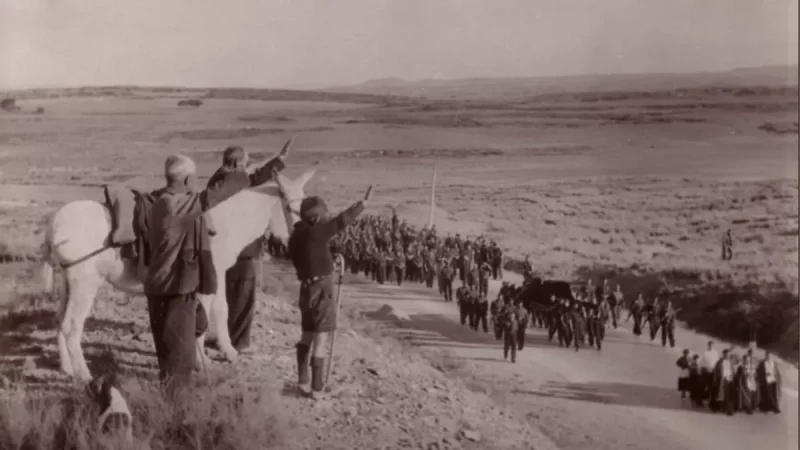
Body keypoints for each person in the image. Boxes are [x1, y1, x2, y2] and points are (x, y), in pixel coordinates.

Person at [144, 149, 288, 405]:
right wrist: (243, 170)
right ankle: (175, 415)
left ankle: (170, 405)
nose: (197, 182)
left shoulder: (163, 200)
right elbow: (218, 193)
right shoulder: (177, 205)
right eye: (194, 178)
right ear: (187, 180)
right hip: (174, 290)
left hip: (171, 288)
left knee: (177, 351)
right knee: (179, 362)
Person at [288, 186, 372, 397]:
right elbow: (341, 221)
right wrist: (362, 205)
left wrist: (326, 257)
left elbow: (309, 256)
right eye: (322, 216)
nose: (325, 219)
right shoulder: (316, 233)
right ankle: (317, 389)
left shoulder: (296, 237)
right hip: (322, 288)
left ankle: (302, 380)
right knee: (321, 337)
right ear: (316, 218)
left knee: (307, 335)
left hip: (305, 288)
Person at [206, 145, 287, 353]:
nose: (245, 169)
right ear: (236, 164)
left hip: (230, 249)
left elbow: (254, 178)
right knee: (242, 297)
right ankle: (239, 342)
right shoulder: (229, 181)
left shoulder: (219, 179)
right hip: (241, 251)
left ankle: (226, 337)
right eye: (244, 163)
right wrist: (277, 162)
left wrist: (275, 161)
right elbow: (253, 179)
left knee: (229, 296)